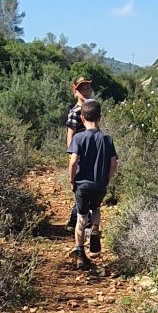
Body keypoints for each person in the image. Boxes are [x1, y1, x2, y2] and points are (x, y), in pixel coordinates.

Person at [68, 99, 118, 270]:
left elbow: (73, 161)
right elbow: (113, 163)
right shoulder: (107, 139)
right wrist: (107, 179)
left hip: (82, 185)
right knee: (95, 208)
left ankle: (80, 254)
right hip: (99, 185)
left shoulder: (78, 137)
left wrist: (72, 180)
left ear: (82, 118)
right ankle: (95, 228)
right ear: (99, 117)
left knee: (81, 218)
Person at [65, 76, 93, 229]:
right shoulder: (75, 112)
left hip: (91, 156)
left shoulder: (92, 108)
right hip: (80, 156)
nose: (85, 90)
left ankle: (77, 218)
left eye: (88, 87)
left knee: (87, 187)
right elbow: (70, 134)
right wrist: (72, 155)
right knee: (80, 187)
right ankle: (77, 219)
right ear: (75, 91)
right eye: (82, 88)